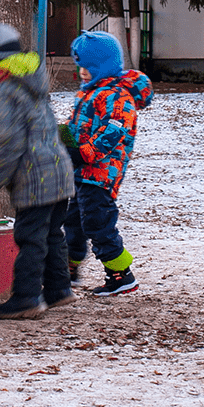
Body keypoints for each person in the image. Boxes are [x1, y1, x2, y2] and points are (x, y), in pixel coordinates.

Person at [0, 24, 76, 319]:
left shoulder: (1, 90)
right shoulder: (28, 80)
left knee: (30, 236)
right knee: (52, 234)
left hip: (35, 175)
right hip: (58, 169)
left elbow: (9, 144)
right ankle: (58, 290)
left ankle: (26, 297)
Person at [64, 31, 151, 296]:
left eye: (88, 68)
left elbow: (114, 133)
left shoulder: (117, 96)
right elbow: (77, 126)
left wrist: (84, 153)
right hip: (83, 170)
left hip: (101, 172)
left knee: (97, 222)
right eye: (79, 67)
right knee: (74, 220)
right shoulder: (90, 93)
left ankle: (121, 275)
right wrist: (62, 140)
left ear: (102, 67)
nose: (82, 72)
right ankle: (68, 268)